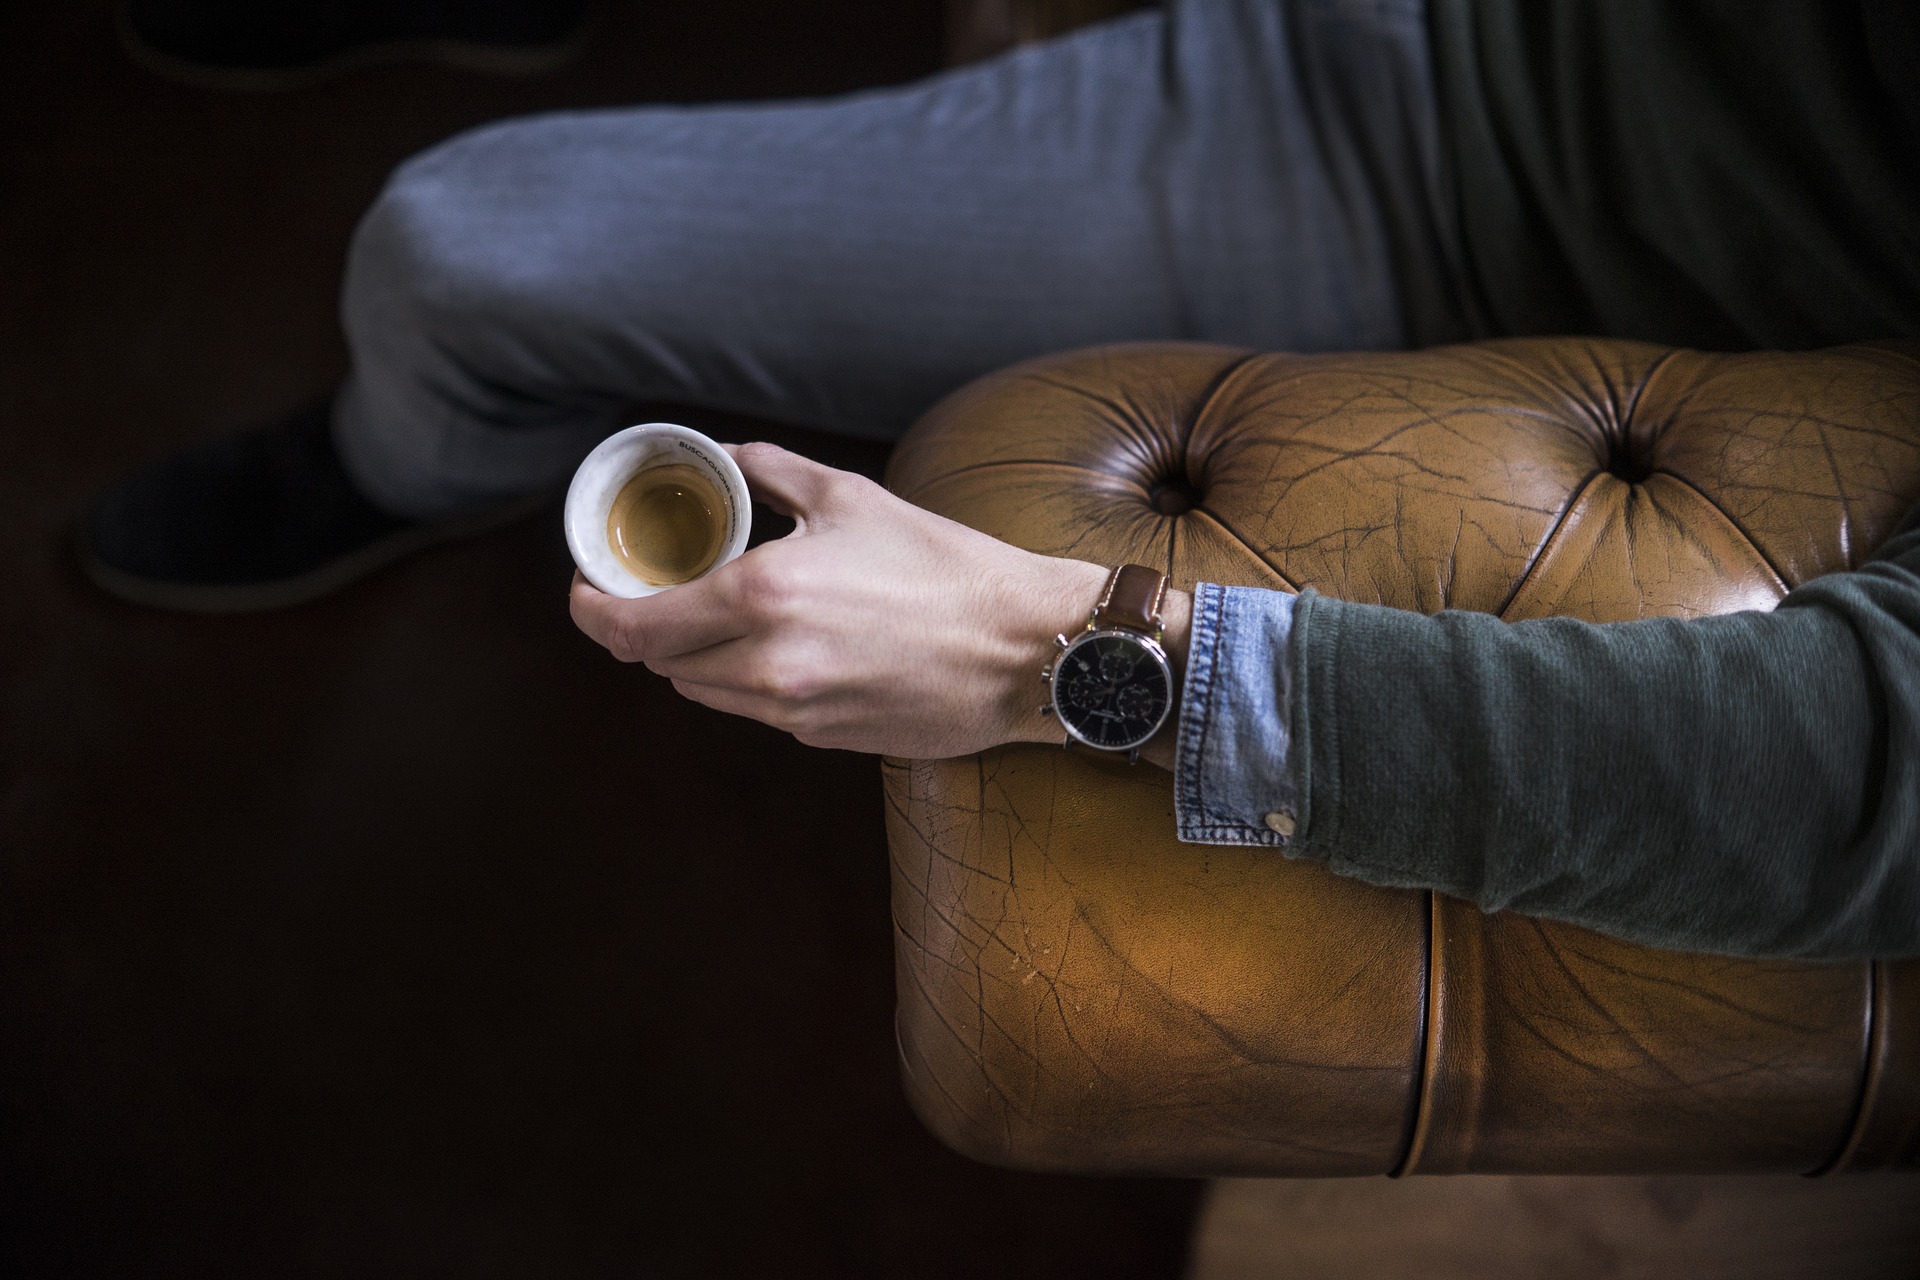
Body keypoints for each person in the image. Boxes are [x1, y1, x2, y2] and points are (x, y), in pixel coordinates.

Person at [85, 0, 1920, 957]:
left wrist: (1058, 654)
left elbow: (1858, 774)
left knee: (457, 250)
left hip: (1457, 168)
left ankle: (394, 456)